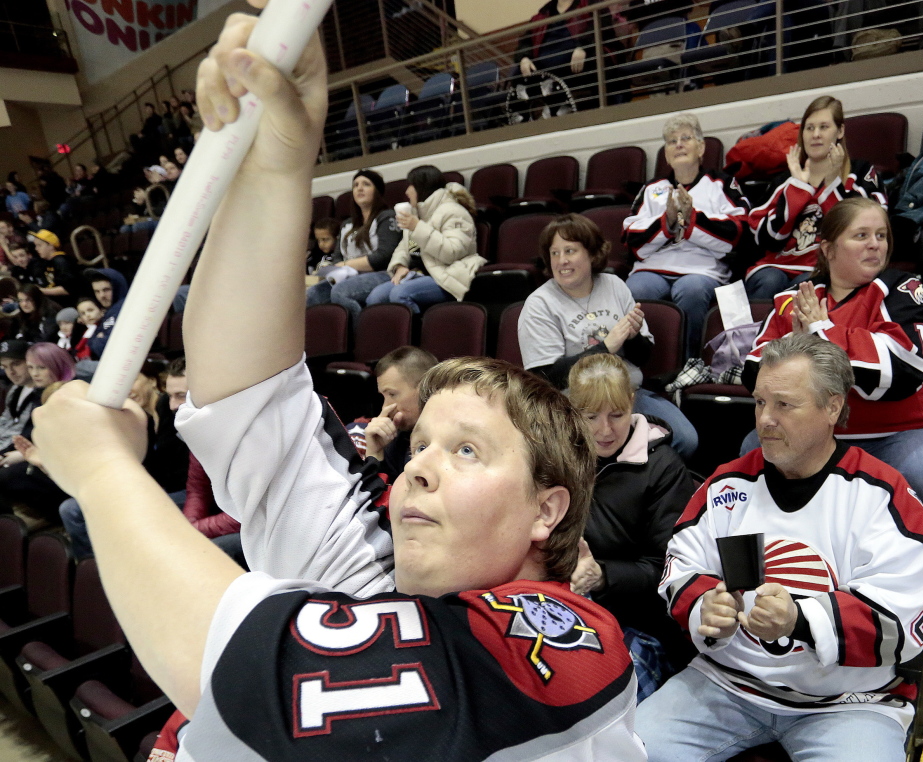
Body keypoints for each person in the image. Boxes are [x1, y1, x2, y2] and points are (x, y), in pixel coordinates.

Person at [31, 9, 646, 759]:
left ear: (546, 508)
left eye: (465, 452)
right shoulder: (368, 570)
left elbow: (273, 682)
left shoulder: (567, 646)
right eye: (423, 444)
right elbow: (248, 396)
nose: (416, 464)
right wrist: (276, 166)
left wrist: (100, 473)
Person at [636, 333, 923, 762]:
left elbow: (907, 616)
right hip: (726, 684)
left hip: (850, 702)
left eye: (784, 404)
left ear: (832, 407)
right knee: (628, 751)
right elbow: (679, 566)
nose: (764, 419)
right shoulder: (727, 483)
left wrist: (801, 619)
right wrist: (703, 603)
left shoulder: (881, 494)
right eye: (761, 402)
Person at [742, 197, 923, 549]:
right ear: (827, 248)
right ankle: (774, 573)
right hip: (817, 430)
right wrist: (818, 338)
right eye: (861, 235)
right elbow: (755, 371)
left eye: (881, 235)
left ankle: (920, 593)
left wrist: (818, 333)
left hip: (905, 429)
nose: (876, 244)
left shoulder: (904, 290)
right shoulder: (792, 299)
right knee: (753, 450)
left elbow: (902, 369)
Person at [567, 352, 696, 699]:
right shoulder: (557, 454)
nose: (604, 430)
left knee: (598, 700)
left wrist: (603, 575)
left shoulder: (664, 468)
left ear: (632, 402)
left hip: (638, 622)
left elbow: (669, 570)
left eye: (617, 414)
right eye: (590, 416)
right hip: (565, 606)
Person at [518, 213, 699, 460]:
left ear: (592, 254)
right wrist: (606, 346)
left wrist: (634, 337)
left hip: (625, 396)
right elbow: (545, 377)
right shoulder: (539, 304)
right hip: (576, 405)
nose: (562, 261)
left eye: (570, 251)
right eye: (555, 253)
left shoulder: (614, 285)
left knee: (685, 439)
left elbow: (642, 357)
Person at [624, 113, 751, 356]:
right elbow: (632, 241)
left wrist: (693, 218)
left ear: (701, 147)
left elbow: (738, 234)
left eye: (686, 138)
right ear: (666, 154)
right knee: (634, 290)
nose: (679, 144)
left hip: (702, 271)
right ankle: (643, 363)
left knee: (691, 289)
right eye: (672, 141)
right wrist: (668, 221)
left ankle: (691, 363)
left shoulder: (721, 184)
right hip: (652, 270)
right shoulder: (651, 189)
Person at [746, 95, 887, 300]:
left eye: (824, 127)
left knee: (804, 285)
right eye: (809, 128)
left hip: (828, 267)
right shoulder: (785, 180)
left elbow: (863, 227)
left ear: (840, 131)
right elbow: (767, 240)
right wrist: (798, 188)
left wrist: (832, 184)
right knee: (769, 281)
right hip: (777, 265)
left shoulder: (861, 173)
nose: (816, 135)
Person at [59, 357, 191, 560]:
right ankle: (92, 567)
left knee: (123, 512)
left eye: (133, 381)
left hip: (181, 489)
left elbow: (177, 471)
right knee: (71, 509)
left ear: (153, 382)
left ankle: (126, 569)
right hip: (150, 484)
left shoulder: (174, 409)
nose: (126, 390)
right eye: (120, 385)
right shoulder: (134, 416)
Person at [366, 165, 483, 314]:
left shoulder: (454, 211)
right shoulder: (418, 213)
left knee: (400, 294)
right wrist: (400, 265)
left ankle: (416, 335)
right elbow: (404, 247)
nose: (407, 191)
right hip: (419, 274)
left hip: (449, 274)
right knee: (375, 298)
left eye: (411, 186)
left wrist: (418, 228)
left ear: (422, 188)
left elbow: (453, 253)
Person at [305, 169, 403, 323]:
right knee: (312, 294)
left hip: (382, 273)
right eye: (356, 185)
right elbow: (337, 256)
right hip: (347, 276)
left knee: (341, 292)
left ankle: (362, 336)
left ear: (377, 191)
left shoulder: (387, 217)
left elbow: (383, 257)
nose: (359, 188)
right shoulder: (347, 224)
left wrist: (346, 264)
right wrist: (340, 267)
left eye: (366, 184)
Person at [0, 343, 75, 521]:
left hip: (62, 467)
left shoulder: (69, 393)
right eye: (31, 367)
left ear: (57, 365)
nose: (35, 373)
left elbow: (66, 442)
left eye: (41, 368)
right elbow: (29, 434)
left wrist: (22, 455)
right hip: (41, 458)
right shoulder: (40, 393)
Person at [348, 346, 437, 482]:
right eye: (384, 397)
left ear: (426, 390)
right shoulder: (397, 440)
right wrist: (375, 453)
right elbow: (377, 498)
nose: (385, 407)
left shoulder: (452, 441)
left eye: (392, 394)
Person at [0, 339, 40, 456]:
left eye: (16, 364)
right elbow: (6, 420)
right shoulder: (16, 389)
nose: (11, 372)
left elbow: (25, 434)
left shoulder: (41, 395)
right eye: (4, 367)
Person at [84, 267, 129, 360]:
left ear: (117, 287)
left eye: (106, 290)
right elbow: (89, 343)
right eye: (97, 291)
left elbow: (105, 348)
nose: (101, 296)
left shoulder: (124, 309)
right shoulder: (110, 311)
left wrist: (98, 339)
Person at [28, 229, 78, 299]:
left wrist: (41, 291)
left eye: (39, 245)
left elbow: (69, 289)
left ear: (51, 246)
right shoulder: (46, 262)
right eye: (35, 246)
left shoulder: (61, 262)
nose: (36, 249)